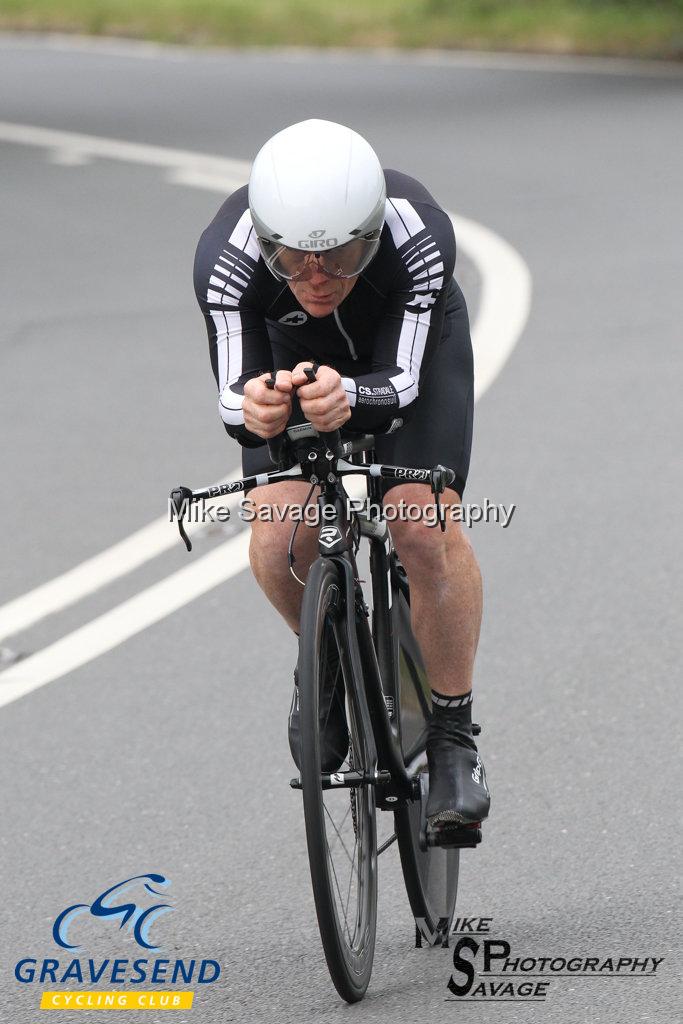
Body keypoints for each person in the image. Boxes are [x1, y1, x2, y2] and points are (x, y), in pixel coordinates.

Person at [193, 119, 490, 831]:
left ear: (372, 230)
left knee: (422, 528)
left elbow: (401, 385)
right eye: (293, 260)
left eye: (343, 255)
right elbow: (233, 395)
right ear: (264, 240)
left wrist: (351, 396)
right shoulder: (226, 257)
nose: (318, 277)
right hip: (286, 356)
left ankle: (452, 741)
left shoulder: (417, 235)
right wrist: (259, 408)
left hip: (403, 354)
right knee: (277, 542)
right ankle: (326, 659)